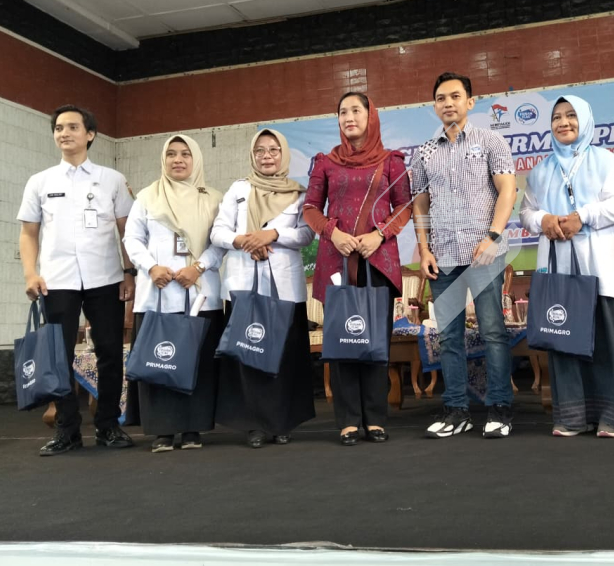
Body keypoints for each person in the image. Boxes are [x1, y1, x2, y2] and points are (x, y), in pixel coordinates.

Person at [520, 95, 614, 438]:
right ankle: (572, 418)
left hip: (600, 269)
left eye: (571, 116)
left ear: (585, 120)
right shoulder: (541, 170)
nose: (563, 122)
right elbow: (525, 212)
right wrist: (543, 219)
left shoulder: (606, 161)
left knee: (607, 344)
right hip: (559, 270)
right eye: (557, 117)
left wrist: (584, 216)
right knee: (564, 339)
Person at [18, 105, 136, 456]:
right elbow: (28, 233)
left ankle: (108, 425)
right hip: (57, 282)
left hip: (106, 279)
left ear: (90, 134)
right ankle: (67, 430)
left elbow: (126, 231)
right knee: (59, 356)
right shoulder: (40, 182)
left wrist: (129, 272)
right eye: (58, 128)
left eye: (72, 127)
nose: (64, 133)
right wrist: (30, 273)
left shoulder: (112, 179)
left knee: (110, 352)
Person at [411, 72, 517, 438]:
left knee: (492, 332)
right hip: (443, 257)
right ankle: (457, 410)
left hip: (484, 253)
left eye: (455, 96)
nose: (448, 103)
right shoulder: (424, 152)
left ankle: (499, 408)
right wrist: (424, 249)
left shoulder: (491, 141)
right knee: (449, 337)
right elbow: (420, 204)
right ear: (434, 106)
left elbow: (507, 190)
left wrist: (492, 236)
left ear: (470, 102)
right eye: (441, 98)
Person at [304, 92, 412, 446]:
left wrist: (379, 235)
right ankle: (348, 420)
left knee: (375, 341)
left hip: (378, 261)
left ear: (371, 116)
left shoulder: (392, 161)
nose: (348, 117)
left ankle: (375, 419)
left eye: (355, 110)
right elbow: (310, 208)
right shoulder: (325, 162)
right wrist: (332, 233)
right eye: (342, 112)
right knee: (343, 340)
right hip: (337, 262)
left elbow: (404, 207)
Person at [211, 129, 316, 448]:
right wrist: (244, 240)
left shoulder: (299, 193)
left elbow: (306, 234)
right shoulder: (238, 188)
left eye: (273, 150)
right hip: (244, 285)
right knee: (249, 352)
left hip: (285, 288)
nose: (267, 155)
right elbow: (218, 232)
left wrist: (272, 235)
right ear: (252, 155)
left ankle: (281, 422)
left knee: (284, 355)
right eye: (260, 150)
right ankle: (254, 425)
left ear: (283, 154)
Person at [122, 135, 226, 452]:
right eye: (171, 154)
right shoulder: (147, 197)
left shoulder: (213, 199)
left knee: (198, 362)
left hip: (200, 292)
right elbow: (132, 239)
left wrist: (199, 267)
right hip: (158, 293)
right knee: (159, 360)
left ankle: (194, 428)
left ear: (196, 159)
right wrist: (151, 267)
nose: (178, 160)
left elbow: (220, 242)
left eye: (185, 154)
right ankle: (163, 430)